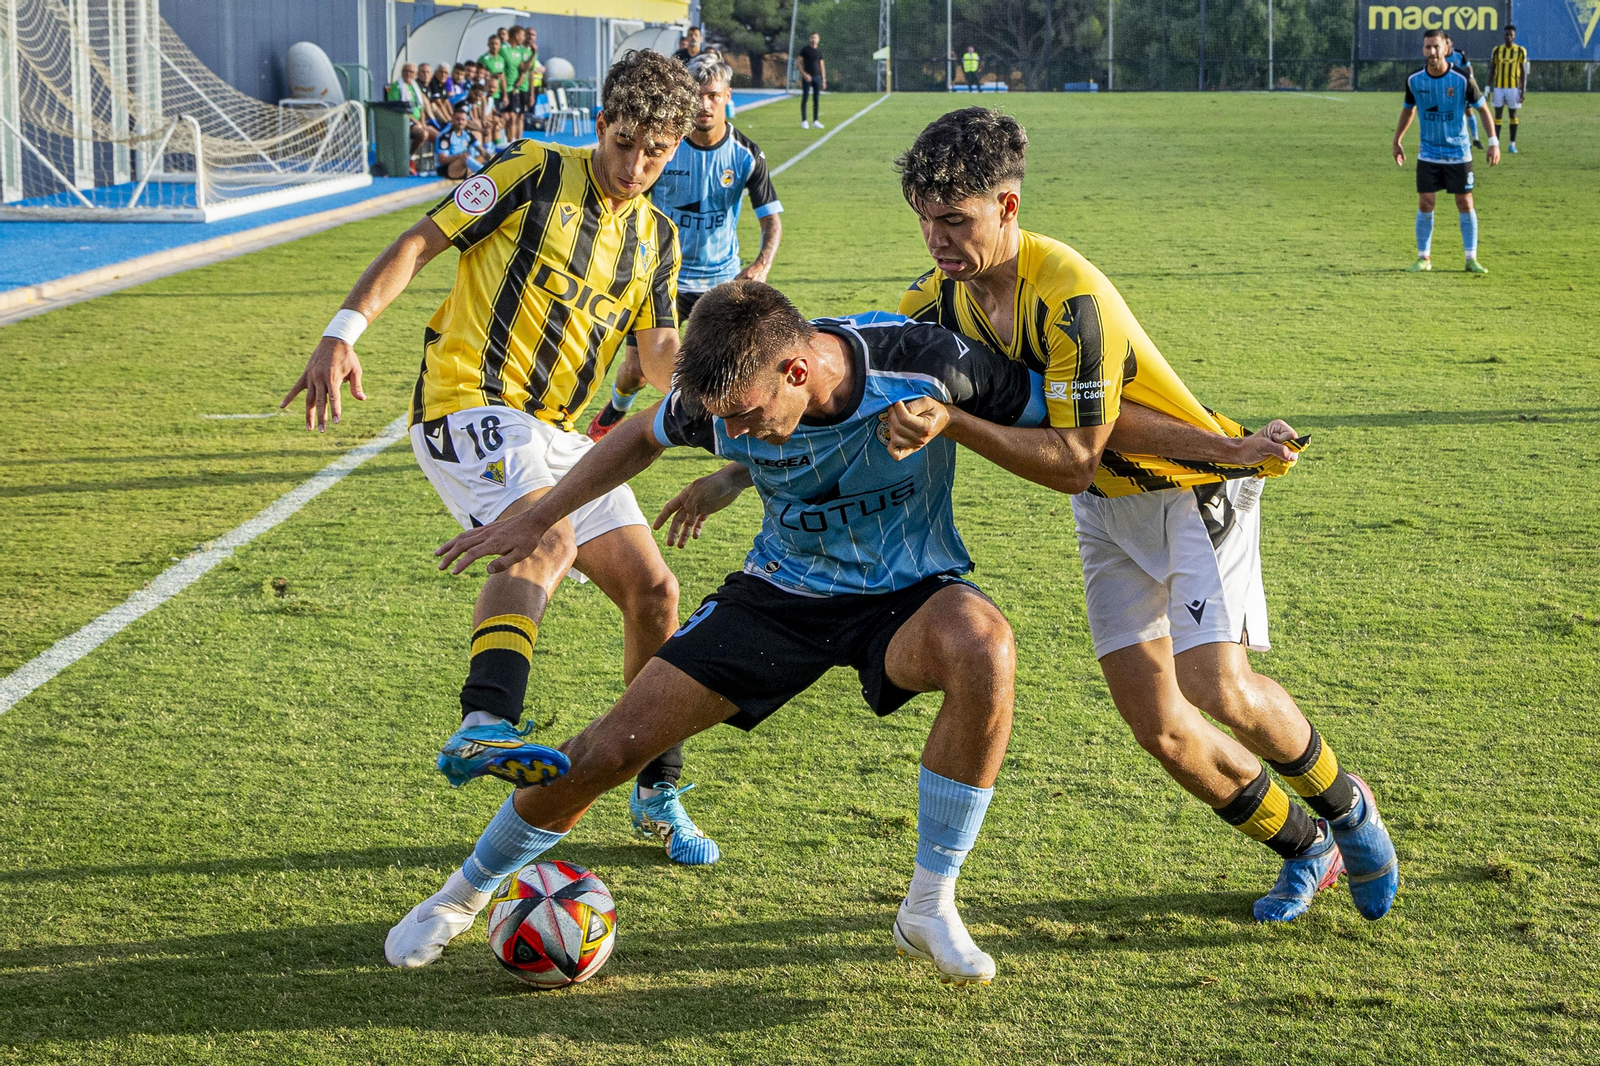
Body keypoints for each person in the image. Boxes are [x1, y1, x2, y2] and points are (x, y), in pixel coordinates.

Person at [404, 282, 1054, 985]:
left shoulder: (929, 363)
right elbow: (636, 437)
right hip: (780, 594)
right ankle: (458, 898)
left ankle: (929, 906)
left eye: (745, 418)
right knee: (608, 749)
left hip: (907, 593)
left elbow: (1076, 421)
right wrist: (539, 517)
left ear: (796, 372)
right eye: (722, 423)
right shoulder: (728, 398)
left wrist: (957, 422)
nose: (732, 432)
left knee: (983, 644)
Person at [892, 107, 1400, 926]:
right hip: (1108, 514)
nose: (939, 241)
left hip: (1188, 492)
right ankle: (1307, 846)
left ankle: (1351, 810)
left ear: (1009, 207)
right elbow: (858, 365)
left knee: (1214, 685)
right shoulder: (939, 300)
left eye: (956, 220)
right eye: (926, 222)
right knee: (1159, 726)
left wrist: (954, 422)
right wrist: (741, 463)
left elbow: (1073, 458)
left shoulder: (1070, 297)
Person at [280, 52, 722, 865]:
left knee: (656, 592)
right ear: (601, 125)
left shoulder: (657, 237)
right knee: (542, 536)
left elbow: (658, 347)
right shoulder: (532, 171)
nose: (636, 167)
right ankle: (484, 720)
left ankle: (656, 787)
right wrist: (343, 332)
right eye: (624, 144)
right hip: (470, 404)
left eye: (655, 153)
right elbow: (423, 238)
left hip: (558, 431)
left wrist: (711, 396)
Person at [585, 53, 783, 443]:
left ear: (728, 96)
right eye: (698, 96)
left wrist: (762, 263)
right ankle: (616, 411)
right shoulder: (661, 147)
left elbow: (771, 218)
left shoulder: (746, 154)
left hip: (721, 279)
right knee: (636, 370)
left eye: (713, 95)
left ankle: (722, 428)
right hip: (662, 279)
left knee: (725, 364)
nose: (705, 105)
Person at [1394, 29, 1499, 274]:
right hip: (1428, 153)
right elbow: (1408, 110)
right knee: (1426, 201)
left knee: (1464, 201)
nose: (1431, 52)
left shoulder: (1462, 79)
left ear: (1446, 49)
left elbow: (1482, 109)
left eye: (1436, 47)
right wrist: (1397, 139)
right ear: (1423, 50)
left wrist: (1493, 141)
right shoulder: (1415, 80)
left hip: (1459, 152)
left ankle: (1471, 258)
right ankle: (1423, 258)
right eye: (1427, 47)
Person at [384, 63, 436, 168]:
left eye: (411, 72)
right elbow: (397, 108)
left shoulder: (415, 86)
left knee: (437, 136)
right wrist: (416, 122)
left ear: (415, 74)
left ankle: (437, 165)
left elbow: (421, 108)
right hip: (403, 120)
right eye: (405, 71)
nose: (408, 74)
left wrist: (422, 121)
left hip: (418, 122)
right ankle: (409, 157)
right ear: (402, 72)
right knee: (423, 134)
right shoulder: (396, 86)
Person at [1488, 25, 1528, 154]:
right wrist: (1487, 88)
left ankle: (1512, 145)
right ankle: (1496, 144)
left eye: (1511, 35)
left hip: (1513, 88)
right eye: (1507, 34)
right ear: (1504, 35)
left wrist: (1523, 89)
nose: (1509, 37)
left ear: (1514, 36)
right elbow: (1492, 69)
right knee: (1498, 115)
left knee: (1513, 115)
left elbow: (1523, 71)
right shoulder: (1497, 50)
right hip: (1499, 87)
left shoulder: (1520, 51)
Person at [1443, 35, 1482, 148]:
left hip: (1462, 87)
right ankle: (1462, 139)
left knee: (1469, 112)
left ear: (1451, 43)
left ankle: (1476, 139)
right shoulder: (1442, 56)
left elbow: (1468, 67)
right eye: (1444, 43)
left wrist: (1471, 79)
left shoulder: (1459, 54)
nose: (1446, 45)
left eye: (1447, 43)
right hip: (1449, 89)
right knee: (1455, 113)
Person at [435, 106, 487, 179]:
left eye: (463, 120)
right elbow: (442, 160)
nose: (460, 122)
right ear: (452, 119)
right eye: (457, 119)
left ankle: (483, 170)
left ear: (466, 121)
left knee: (482, 155)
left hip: (462, 164)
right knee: (464, 157)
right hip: (447, 169)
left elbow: (482, 150)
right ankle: (484, 173)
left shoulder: (467, 133)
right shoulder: (446, 136)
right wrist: (459, 156)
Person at [478, 33, 510, 116]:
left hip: (497, 94)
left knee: (498, 118)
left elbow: (502, 78)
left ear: (499, 46)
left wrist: (505, 95)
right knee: (488, 116)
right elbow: (479, 76)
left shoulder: (501, 59)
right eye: (492, 43)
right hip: (487, 94)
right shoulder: (483, 59)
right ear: (488, 45)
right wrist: (491, 76)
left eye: (496, 44)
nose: (494, 46)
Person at [798, 33, 824, 129]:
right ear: (810, 39)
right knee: (805, 98)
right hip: (807, 77)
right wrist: (804, 74)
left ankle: (815, 120)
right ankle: (804, 120)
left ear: (818, 39)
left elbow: (822, 65)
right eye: (812, 37)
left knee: (816, 99)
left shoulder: (819, 51)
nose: (813, 39)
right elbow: (798, 63)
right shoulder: (805, 50)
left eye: (815, 37)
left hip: (817, 77)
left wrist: (824, 79)